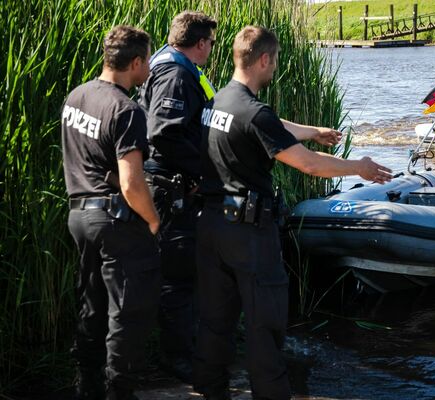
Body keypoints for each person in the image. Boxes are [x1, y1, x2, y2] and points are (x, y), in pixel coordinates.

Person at [193, 26, 393, 400]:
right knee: (264, 325)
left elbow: (269, 127)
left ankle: (209, 390)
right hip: (249, 235)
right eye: (275, 61)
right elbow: (309, 166)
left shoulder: (217, 103)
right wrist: (359, 167)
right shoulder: (254, 112)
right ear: (264, 59)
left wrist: (312, 130)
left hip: (212, 227)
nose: (275, 68)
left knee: (215, 321)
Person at [62, 25, 160, 400]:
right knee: (128, 312)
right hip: (114, 220)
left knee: (92, 302)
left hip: (79, 215)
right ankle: (119, 390)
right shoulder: (126, 109)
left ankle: (86, 385)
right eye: (147, 60)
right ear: (134, 62)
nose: (149, 68)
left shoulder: (77, 95)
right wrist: (152, 219)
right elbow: (131, 183)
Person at [137, 10, 217, 382]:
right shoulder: (175, 73)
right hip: (171, 188)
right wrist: (199, 172)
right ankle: (177, 359)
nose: (211, 50)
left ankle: (186, 348)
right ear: (200, 43)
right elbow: (164, 133)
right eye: (211, 43)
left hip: (175, 184)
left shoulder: (173, 66)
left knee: (182, 274)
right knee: (178, 277)